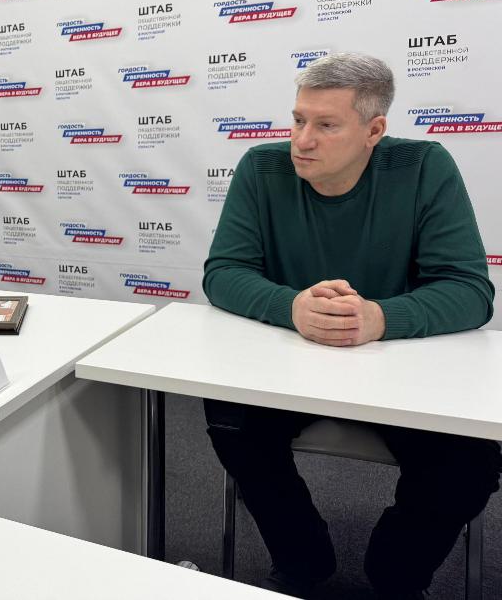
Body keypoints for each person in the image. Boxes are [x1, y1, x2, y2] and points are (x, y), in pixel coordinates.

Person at [203, 53, 500, 599]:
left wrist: (381, 317)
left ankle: (395, 575)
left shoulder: (425, 167)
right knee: (230, 420)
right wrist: (292, 307)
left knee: (469, 461)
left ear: (374, 131)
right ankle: (303, 559)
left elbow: (469, 289)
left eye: (326, 125)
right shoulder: (261, 168)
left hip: (402, 370)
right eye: (298, 120)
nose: (302, 140)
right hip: (291, 366)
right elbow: (224, 272)